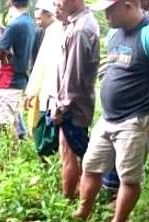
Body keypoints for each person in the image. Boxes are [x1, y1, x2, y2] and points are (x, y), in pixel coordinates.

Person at [74, 0, 149, 222]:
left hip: (137, 118)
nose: (106, 16)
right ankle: (83, 211)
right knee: (91, 166)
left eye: (110, 10)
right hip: (109, 117)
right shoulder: (114, 34)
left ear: (128, 5)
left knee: (128, 176)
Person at [52, 0, 100, 199]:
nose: (57, 2)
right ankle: (80, 193)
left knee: (68, 153)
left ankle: (68, 199)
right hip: (77, 102)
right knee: (76, 152)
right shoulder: (77, 23)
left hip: (73, 105)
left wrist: (61, 108)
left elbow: (73, 77)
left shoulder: (80, 30)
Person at [24, 0, 64, 156]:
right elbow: (41, 61)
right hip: (47, 93)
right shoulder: (51, 31)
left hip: (62, 95)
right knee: (44, 134)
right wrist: (32, 90)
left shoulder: (72, 28)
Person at [0, 0, 35, 137]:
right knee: (15, 121)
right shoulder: (29, 22)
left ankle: (10, 156)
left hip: (9, 79)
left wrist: (4, 55)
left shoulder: (14, 25)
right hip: (21, 78)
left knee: (6, 124)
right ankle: (16, 154)